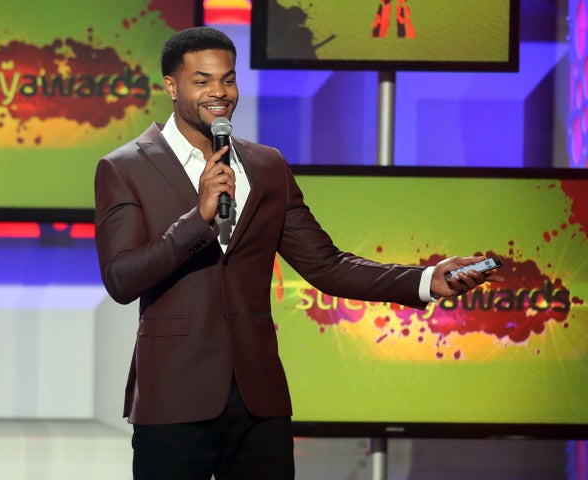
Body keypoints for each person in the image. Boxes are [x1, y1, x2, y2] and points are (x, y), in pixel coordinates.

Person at [94, 26, 497, 480]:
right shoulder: (125, 167)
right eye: (202, 80)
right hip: (173, 398)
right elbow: (122, 278)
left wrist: (424, 279)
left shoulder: (267, 167)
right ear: (172, 86)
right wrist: (197, 218)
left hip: (258, 399)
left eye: (228, 79)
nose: (219, 93)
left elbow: (327, 264)